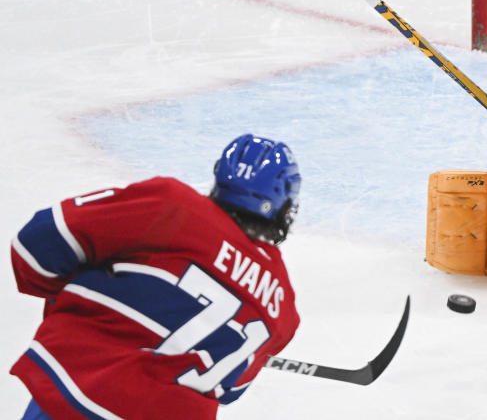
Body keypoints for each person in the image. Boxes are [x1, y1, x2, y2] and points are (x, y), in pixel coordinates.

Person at [10, 134, 302, 419]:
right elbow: (229, 390)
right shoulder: (284, 308)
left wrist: (73, 300)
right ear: (282, 206)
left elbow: (34, 246)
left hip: (83, 395)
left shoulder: (172, 207)